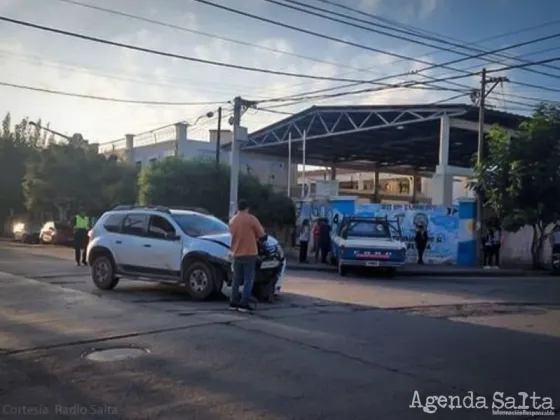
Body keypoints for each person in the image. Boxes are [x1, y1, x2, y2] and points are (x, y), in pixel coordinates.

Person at [228, 199, 266, 313]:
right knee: (248, 279)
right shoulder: (251, 219)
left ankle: (233, 302)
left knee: (236, 279)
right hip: (249, 253)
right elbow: (262, 234)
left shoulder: (232, 220)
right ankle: (244, 303)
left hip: (236, 253)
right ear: (247, 208)